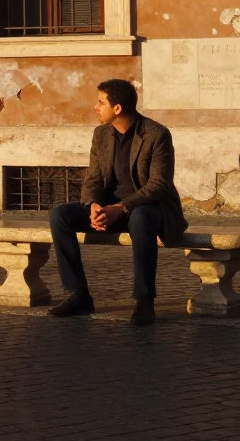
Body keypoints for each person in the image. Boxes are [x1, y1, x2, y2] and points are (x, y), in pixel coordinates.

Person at [47, 79, 188, 325]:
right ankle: (78, 294)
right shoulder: (101, 134)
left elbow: (159, 185)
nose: (95, 107)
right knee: (60, 215)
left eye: (101, 102)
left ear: (118, 108)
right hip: (109, 209)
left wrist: (121, 207)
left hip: (148, 210)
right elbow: (93, 179)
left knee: (140, 217)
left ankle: (144, 301)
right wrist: (93, 207)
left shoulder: (156, 134)